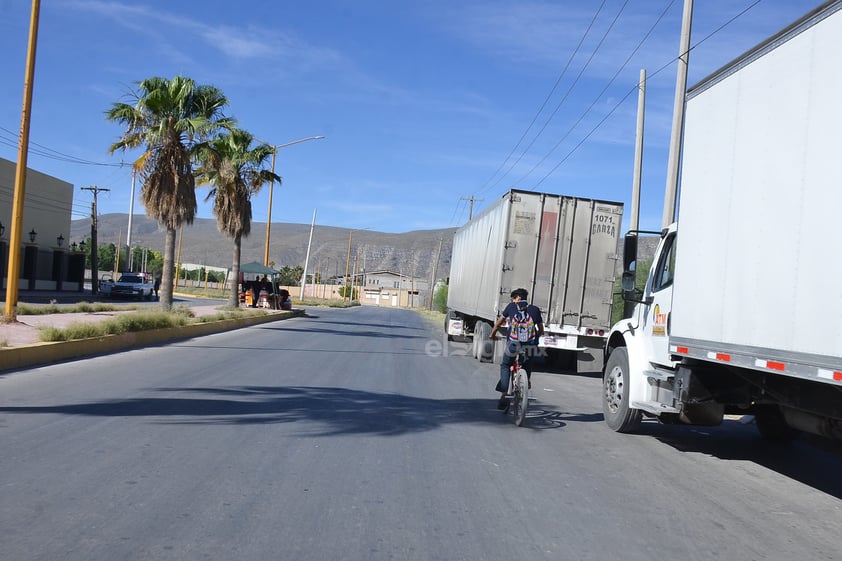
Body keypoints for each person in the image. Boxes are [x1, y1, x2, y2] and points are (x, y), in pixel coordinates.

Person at [489, 288, 544, 410]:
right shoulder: (535, 310)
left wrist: (492, 334)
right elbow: (541, 330)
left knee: (505, 365)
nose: (513, 301)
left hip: (513, 344)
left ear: (517, 298)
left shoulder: (511, 307)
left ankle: (504, 394)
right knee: (528, 363)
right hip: (530, 345)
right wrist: (536, 340)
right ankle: (527, 380)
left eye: (513, 299)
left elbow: (499, 323)